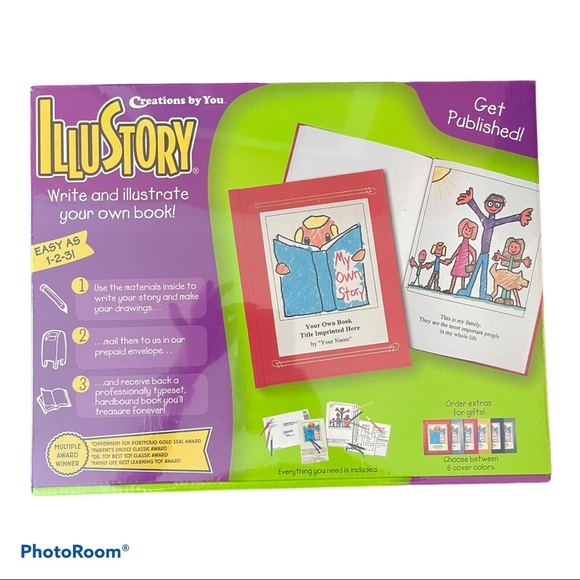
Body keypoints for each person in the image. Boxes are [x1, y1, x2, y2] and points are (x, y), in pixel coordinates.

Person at [456, 187, 532, 300]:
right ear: (485, 203)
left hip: (485, 254)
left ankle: (482, 293)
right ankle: (468, 290)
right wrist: (470, 201)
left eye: (497, 205)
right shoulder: (486, 220)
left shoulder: (492, 222)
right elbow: (478, 212)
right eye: (490, 203)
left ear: (501, 207)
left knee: (483, 273)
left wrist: (520, 217)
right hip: (483, 253)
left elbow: (506, 220)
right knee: (476, 271)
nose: (493, 207)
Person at [492, 237, 532, 305]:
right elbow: (506, 259)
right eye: (512, 247)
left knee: (510, 286)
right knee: (505, 284)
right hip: (506, 275)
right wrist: (500, 257)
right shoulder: (509, 257)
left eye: (516, 248)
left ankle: (508, 298)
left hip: (511, 276)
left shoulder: (515, 259)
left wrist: (523, 261)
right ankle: (502, 297)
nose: (513, 249)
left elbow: (515, 260)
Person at [443, 218, 478, 293]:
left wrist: (474, 260)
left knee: (463, 277)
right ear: (461, 229)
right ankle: (451, 290)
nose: (467, 232)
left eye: (469, 231)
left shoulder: (467, 245)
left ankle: (462, 290)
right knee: (454, 276)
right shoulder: (462, 244)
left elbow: (473, 251)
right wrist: (451, 259)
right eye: (466, 229)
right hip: (458, 261)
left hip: (464, 262)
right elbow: (457, 252)